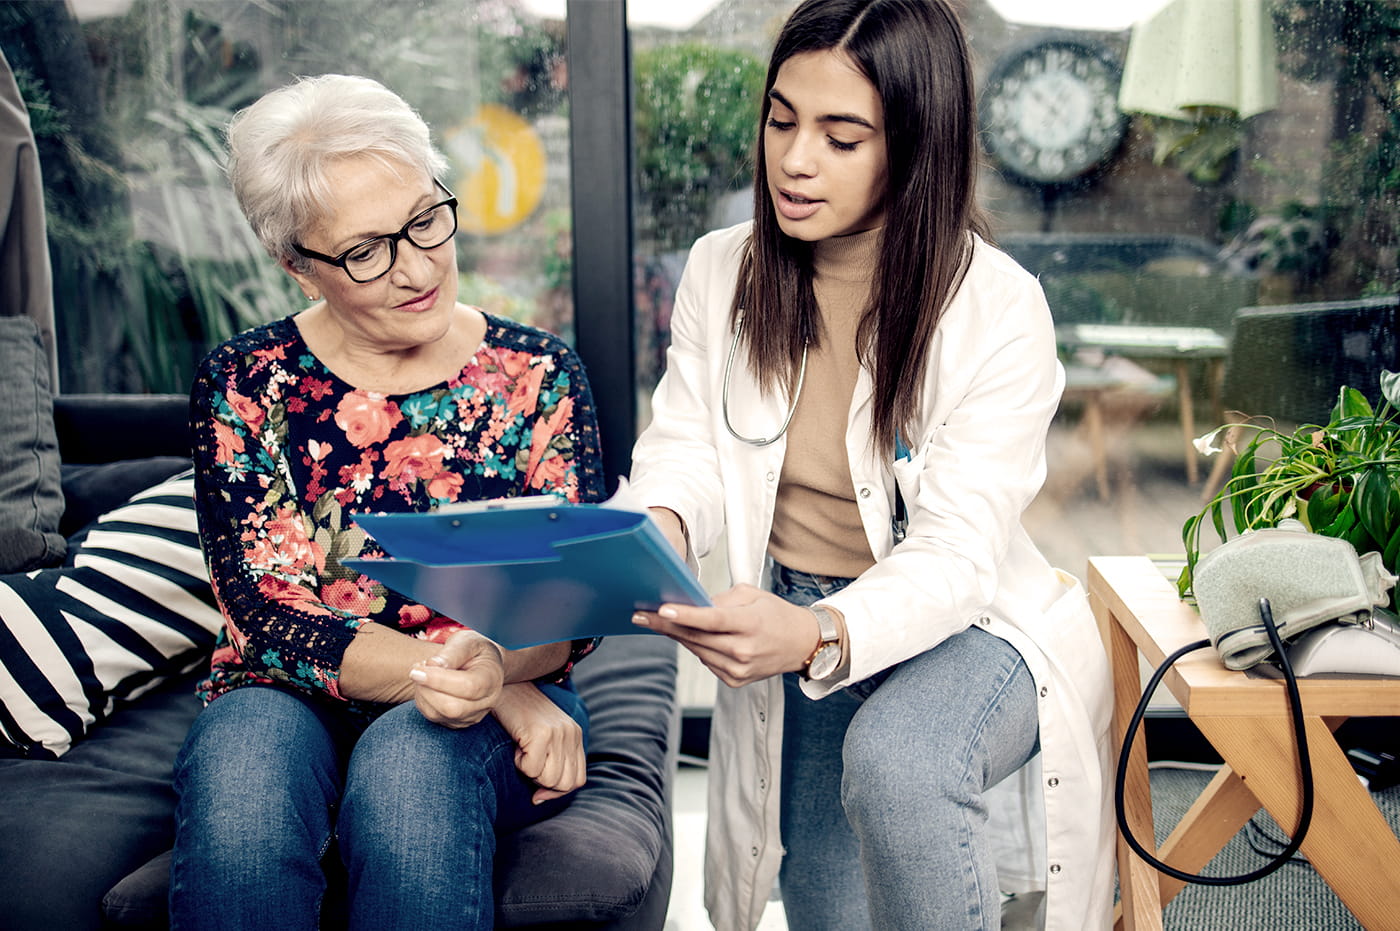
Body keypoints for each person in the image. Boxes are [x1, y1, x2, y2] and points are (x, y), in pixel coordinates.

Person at [627, 1, 1114, 928]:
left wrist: (815, 635)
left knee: (902, 766)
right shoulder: (719, 270)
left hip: (973, 623)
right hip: (792, 597)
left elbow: (957, 551)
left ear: (915, 147)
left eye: (840, 137)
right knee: (824, 896)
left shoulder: (999, 309)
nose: (795, 159)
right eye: (781, 120)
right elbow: (686, 441)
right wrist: (664, 527)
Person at [169, 73, 605, 931]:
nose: (417, 268)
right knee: (245, 779)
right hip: (286, 689)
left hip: (488, 687)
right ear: (294, 261)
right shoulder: (245, 382)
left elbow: (570, 604)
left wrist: (499, 677)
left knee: (413, 766)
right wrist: (473, 683)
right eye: (367, 251)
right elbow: (267, 609)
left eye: (425, 220)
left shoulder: (541, 374)